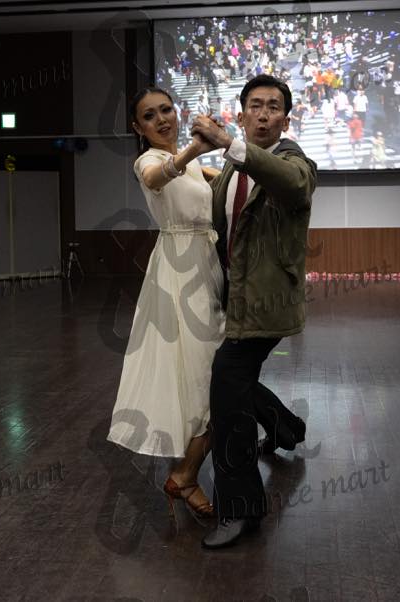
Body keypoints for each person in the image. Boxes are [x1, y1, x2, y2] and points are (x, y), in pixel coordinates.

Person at [191, 74, 316, 549]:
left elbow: (294, 186)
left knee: (226, 389)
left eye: (274, 107)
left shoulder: (294, 161)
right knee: (235, 380)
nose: (264, 114)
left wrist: (230, 144)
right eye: (256, 106)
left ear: (285, 119)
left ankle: (241, 508)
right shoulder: (229, 171)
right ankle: (286, 427)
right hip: (235, 299)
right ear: (242, 114)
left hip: (266, 304)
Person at [107, 87, 223, 520]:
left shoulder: (194, 165)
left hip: (206, 263)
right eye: (150, 116)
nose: (162, 119)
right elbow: (157, 178)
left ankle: (186, 473)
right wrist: (195, 148)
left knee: (211, 372)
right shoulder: (148, 161)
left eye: (166, 110)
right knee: (202, 375)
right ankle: (184, 475)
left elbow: (224, 180)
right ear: (138, 128)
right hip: (179, 272)